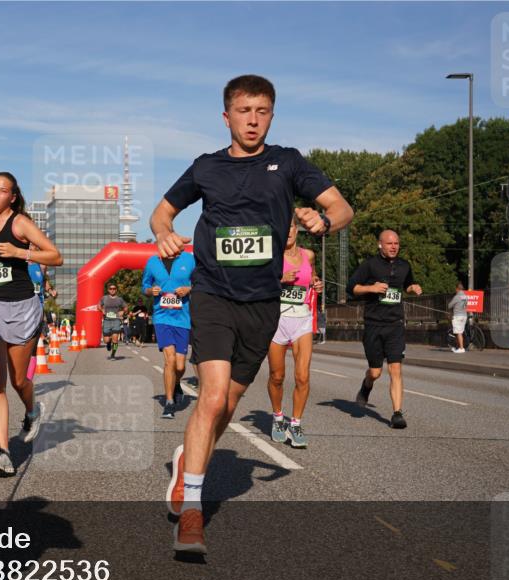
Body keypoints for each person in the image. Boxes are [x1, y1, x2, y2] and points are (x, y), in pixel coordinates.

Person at [154, 74, 353, 554]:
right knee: (212, 393)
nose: (253, 120)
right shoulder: (206, 167)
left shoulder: (288, 163)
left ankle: (188, 461)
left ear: (272, 115)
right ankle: (194, 512)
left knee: (227, 404)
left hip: (263, 302)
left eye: (262, 111)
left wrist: (321, 219)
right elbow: (162, 213)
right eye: (244, 111)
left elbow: (342, 208)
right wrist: (163, 233)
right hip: (213, 294)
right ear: (227, 116)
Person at [0, 172, 62, 476]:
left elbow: (55, 256)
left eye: (2, 190)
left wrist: (20, 252)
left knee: (18, 380)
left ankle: (32, 411)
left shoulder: (20, 222)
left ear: (12, 196)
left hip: (22, 307)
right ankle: (2, 453)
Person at [347, 229, 422, 428]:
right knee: (375, 372)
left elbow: (407, 284)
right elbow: (351, 287)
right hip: (373, 325)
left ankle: (397, 413)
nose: (393, 247)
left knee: (395, 369)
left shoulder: (404, 265)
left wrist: (412, 288)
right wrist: (371, 288)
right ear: (380, 244)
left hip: (395, 324)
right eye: (389, 243)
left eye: (396, 243)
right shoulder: (369, 265)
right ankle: (366, 385)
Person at [266, 218, 323, 448]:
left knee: (302, 376)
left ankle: (296, 423)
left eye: (290, 226)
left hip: (302, 319)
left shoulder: (308, 255)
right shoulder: (271, 255)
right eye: (283, 226)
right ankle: (278, 418)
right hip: (276, 320)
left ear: (296, 229)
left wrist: (316, 283)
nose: (287, 231)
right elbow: (256, 284)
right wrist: (279, 280)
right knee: (277, 376)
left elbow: (312, 277)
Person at [142, 250, 195, 419]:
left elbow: (202, 282)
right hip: (162, 317)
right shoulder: (152, 262)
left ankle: (177, 382)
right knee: (169, 360)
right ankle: (169, 402)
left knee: (180, 366)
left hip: (183, 318)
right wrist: (151, 291)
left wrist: (189, 289)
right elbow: (144, 287)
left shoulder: (189, 259)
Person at [98, 283, 127, 359]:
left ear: (116, 290)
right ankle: (108, 343)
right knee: (106, 340)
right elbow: (98, 306)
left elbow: (126, 307)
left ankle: (113, 354)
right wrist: (102, 309)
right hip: (107, 320)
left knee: (115, 339)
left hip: (116, 320)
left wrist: (123, 312)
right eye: (111, 289)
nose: (112, 290)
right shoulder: (104, 298)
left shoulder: (120, 299)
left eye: (114, 288)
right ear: (108, 290)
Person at [447, 282, 468, 353]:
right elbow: (466, 305)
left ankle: (461, 348)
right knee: (460, 332)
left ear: (457, 289)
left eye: (455, 289)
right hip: (464, 315)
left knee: (458, 332)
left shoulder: (457, 297)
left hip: (457, 316)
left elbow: (449, 305)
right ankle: (458, 347)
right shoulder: (465, 296)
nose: (455, 291)